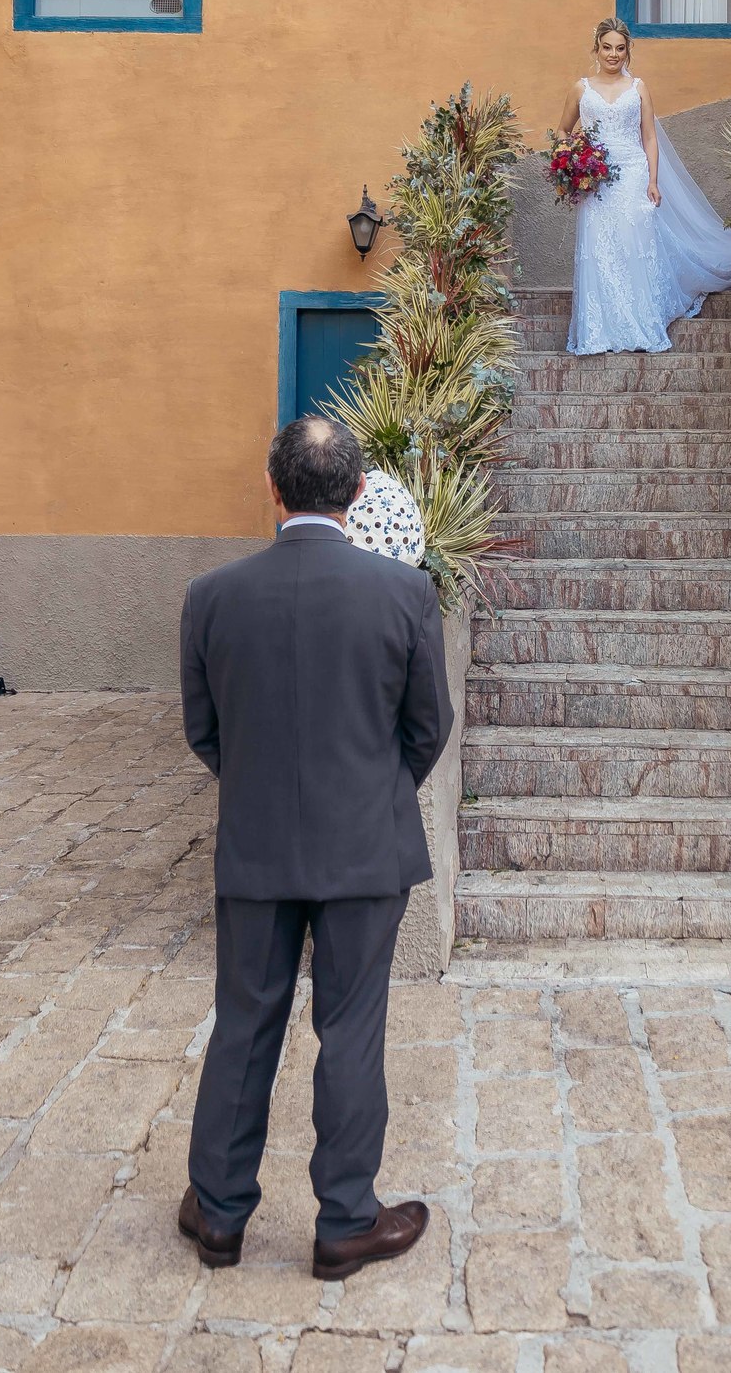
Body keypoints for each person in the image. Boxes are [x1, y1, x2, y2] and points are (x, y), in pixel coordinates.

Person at [177, 416, 453, 1280]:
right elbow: (428, 728)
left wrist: (263, 788)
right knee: (351, 1030)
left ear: (273, 487)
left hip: (256, 847)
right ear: (360, 492)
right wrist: (368, 796)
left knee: (244, 1025)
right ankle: (344, 1221)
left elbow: (205, 731)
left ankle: (218, 1215)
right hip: (365, 850)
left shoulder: (211, 596)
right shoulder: (404, 594)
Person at [555, 17, 731, 355]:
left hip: (633, 173)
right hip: (595, 179)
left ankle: (640, 325)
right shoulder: (580, 89)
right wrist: (573, 160)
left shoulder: (638, 87)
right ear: (596, 49)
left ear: (628, 51)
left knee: (635, 243)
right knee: (600, 248)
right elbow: (562, 131)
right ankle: (598, 331)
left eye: (620, 48)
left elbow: (649, 136)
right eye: (607, 47)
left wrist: (654, 180)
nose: (613, 54)